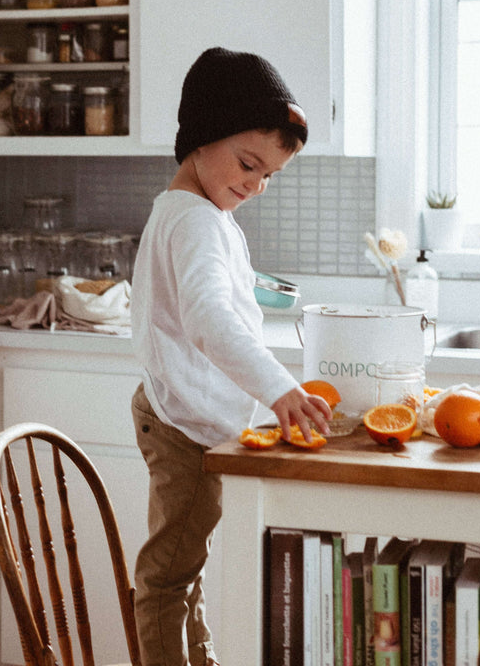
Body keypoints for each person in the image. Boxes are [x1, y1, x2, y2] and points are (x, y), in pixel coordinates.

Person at [130, 46, 333, 666]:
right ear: (202, 136)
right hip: (186, 429)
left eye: (268, 175)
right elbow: (208, 317)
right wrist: (278, 388)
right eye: (248, 163)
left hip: (186, 419)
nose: (254, 184)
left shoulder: (194, 214)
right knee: (167, 579)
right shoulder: (195, 221)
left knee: (185, 570)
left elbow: (211, 297)